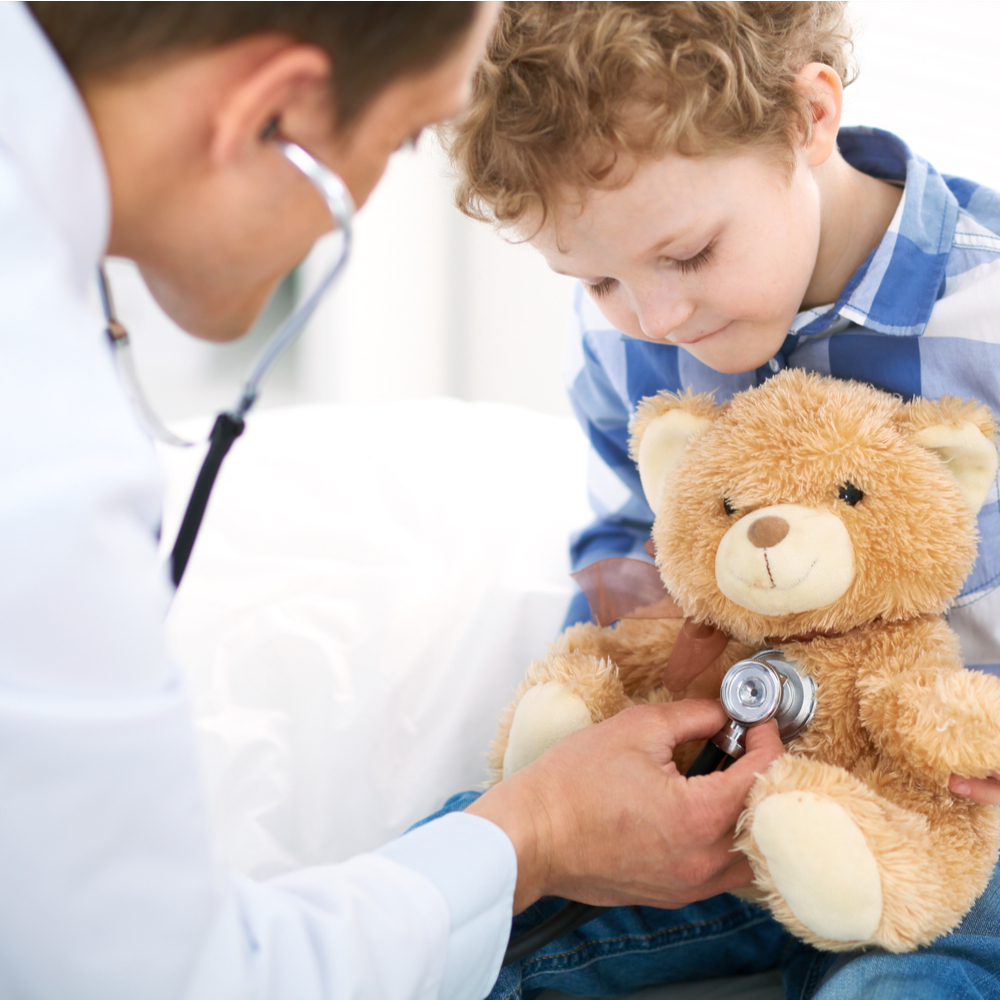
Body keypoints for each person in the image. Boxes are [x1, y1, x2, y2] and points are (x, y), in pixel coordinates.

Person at [0, 2, 787, 997]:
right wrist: (533, 833)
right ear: (268, 117)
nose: (655, 319)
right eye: (408, 133)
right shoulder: (39, 456)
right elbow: (161, 977)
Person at [443, 2, 1000, 998]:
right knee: (456, 883)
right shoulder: (632, 328)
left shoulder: (986, 314)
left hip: (948, 823)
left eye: (687, 256)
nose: (657, 318)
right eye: (599, 280)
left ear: (807, 117)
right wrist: (616, 632)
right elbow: (628, 524)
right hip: (720, 793)